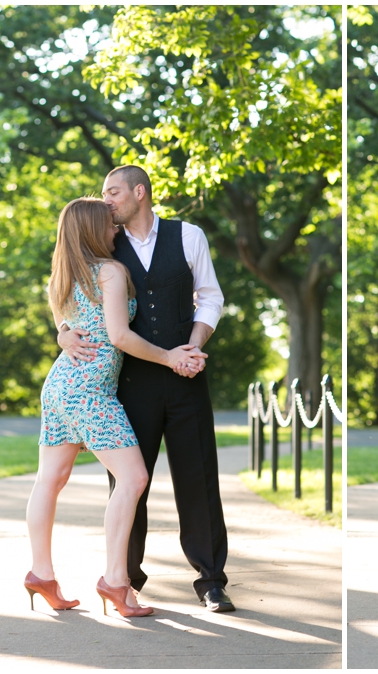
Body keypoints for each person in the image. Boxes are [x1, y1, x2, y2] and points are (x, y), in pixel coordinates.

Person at [58, 166, 234, 612]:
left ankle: (211, 580)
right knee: (128, 481)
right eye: (103, 194)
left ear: (140, 192)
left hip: (186, 376)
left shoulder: (188, 236)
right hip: (130, 383)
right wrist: (63, 329)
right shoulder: (104, 243)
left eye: (113, 192)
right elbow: (66, 286)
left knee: (199, 479)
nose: (107, 200)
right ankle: (125, 578)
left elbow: (210, 297)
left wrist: (193, 347)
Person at [26, 198, 205, 617]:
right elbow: (119, 336)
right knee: (134, 478)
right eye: (109, 225)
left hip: (59, 386)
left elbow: (63, 321)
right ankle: (115, 581)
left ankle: (41, 574)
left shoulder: (63, 274)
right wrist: (169, 357)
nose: (116, 230)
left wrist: (63, 334)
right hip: (90, 390)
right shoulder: (110, 271)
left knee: (49, 481)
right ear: (92, 228)